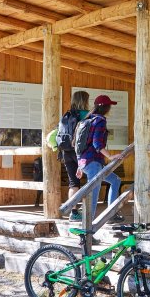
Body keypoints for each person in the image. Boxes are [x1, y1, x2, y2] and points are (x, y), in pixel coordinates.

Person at [79, 94, 123, 223]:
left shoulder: (87, 119)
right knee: (93, 197)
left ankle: (110, 213)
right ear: (106, 107)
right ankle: (87, 232)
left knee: (115, 180)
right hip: (93, 163)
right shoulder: (100, 121)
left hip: (86, 162)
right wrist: (110, 156)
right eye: (110, 106)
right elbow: (97, 143)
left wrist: (79, 165)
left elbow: (78, 144)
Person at [64, 91, 90, 221]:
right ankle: (90, 212)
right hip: (79, 152)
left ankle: (73, 213)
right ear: (85, 100)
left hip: (66, 152)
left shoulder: (67, 115)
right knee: (92, 179)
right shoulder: (85, 115)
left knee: (73, 183)